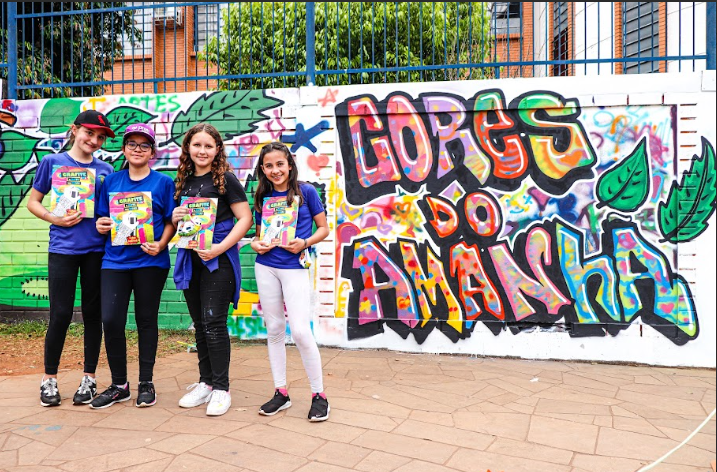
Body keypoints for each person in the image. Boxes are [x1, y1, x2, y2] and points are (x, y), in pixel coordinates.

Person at [27, 110, 115, 407]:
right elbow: (33, 202)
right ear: (74, 129)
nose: (94, 140)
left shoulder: (105, 169)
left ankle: (89, 378)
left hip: (96, 252)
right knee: (61, 314)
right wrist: (55, 218)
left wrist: (109, 222)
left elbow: (107, 210)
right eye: (89, 133)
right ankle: (49, 379)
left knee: (93, 316)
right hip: (63, 249)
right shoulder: (52, 162)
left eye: (100, 137)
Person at [91, 123, 176, 409]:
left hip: (150, 262)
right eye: (132, 144)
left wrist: (162, 244)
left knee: (146, 320)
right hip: (114, 261)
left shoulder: (164, 182)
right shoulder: (111, 182)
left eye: (144, 145)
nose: (137, 149)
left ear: (153, 152)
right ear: (124, 149)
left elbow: (170, 222)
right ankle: (119, 385)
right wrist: (102, 225)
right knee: (112, 320)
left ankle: (146, 383)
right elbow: (103, 220)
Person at [172, 123, 253, 416]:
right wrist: (176, 213)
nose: (202, 151)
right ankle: (205, 383)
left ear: (217, 150)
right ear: (188, 148)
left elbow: (245, 218)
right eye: (197, 145)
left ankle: (221, 388)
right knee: (199, 324)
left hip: (218, 258)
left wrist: (221, 248)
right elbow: (177, 222)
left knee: (214, 323)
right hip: (190, 258)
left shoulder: (226, 180)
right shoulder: (183, 181)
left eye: (208, 146)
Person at [250, 142, 330, 422]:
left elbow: (324, 228)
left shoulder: (306, 192)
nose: (275, 170)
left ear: (290, 164)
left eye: (280, 164)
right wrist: (255, 244)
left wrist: (305, 242)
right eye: (269, 166)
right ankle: (280, 392)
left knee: (299, 331)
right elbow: (260, 235)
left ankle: (319, 395)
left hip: (295, 266)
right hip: (266, 267)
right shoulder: (262, 195)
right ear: (263, 169)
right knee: (273, 328)